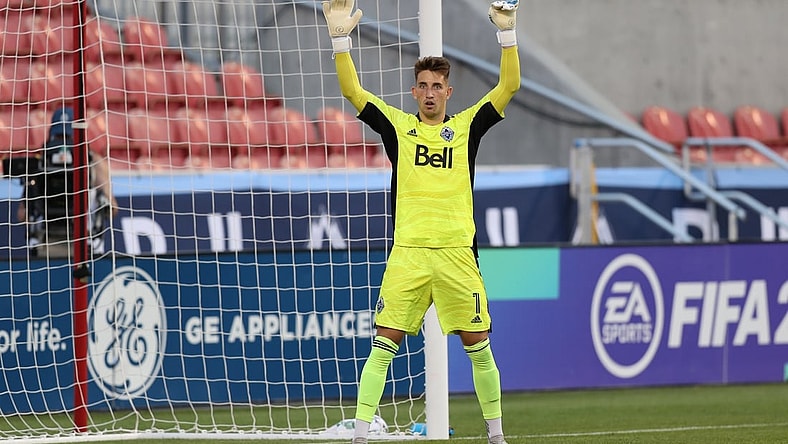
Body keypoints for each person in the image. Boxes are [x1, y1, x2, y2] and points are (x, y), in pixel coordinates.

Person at [322, 1, 521, 443]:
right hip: (409, 255)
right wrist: (340, 42)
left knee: (480, 348)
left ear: (449, 92)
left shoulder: (468, 127)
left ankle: (496, 437)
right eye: (423, 86)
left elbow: (509, 86)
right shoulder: (397, 127)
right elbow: (354, 92)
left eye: (438, 85)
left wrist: (506, 35)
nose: (430, 92)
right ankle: (359, 436)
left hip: (456, 255)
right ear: (414, 92)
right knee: (382, 345)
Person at [16, 107, 117, 258]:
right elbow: (23, 216)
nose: (63, 142)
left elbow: (111, 208)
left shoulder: (93, 163)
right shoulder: (39, 163)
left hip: (83, 240)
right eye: (59, 136)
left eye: (66, 137)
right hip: (49, 241)